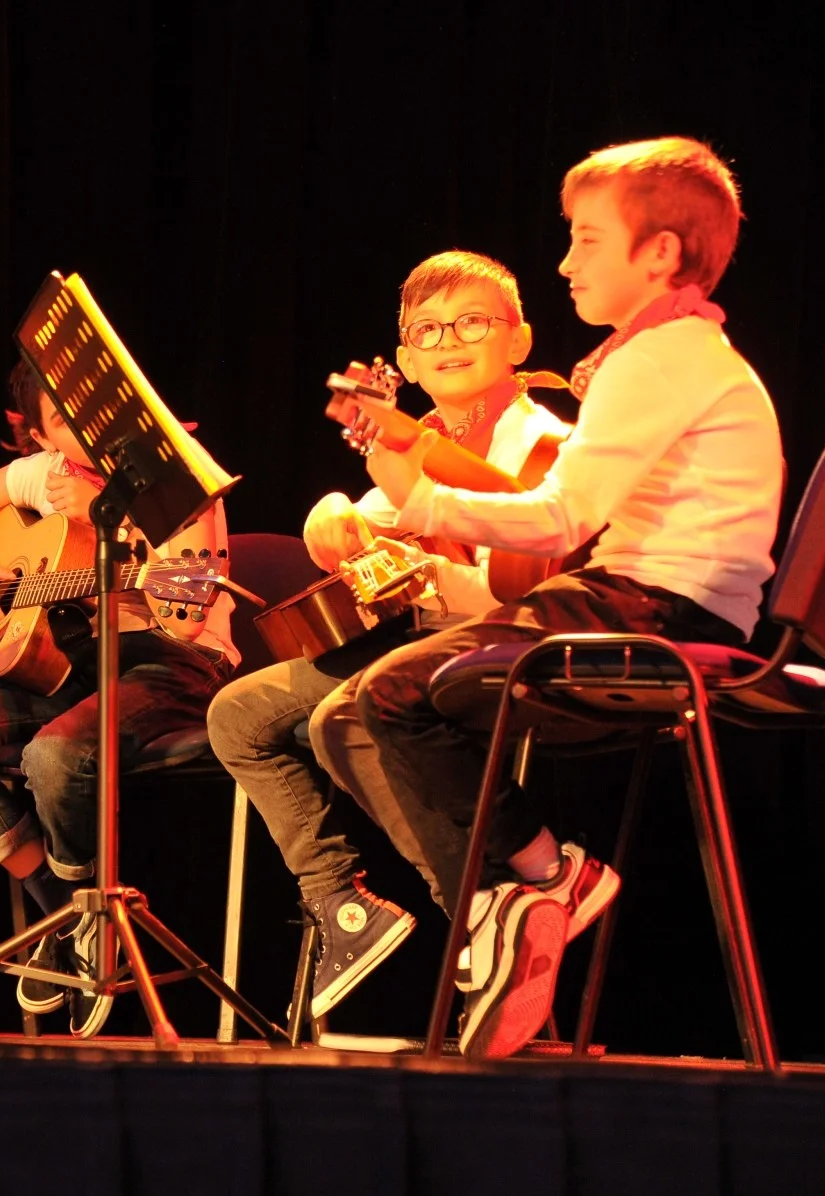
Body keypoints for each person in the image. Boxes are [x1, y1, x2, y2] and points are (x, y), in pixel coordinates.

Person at [319, 136, 782, 1058]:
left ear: (659, 253)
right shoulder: (676, 351)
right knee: (382, 697)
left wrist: (419, 500)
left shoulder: (662, 357)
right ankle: (527, 892)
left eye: (587, 240)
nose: (567, 262)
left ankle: (544, 880)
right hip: (659, 600)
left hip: (655, 608)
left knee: (394, 694)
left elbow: (560, 515)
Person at [207, 250, 587, 1023]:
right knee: (236, 714)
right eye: (427, 330)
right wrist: (332, 517)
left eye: (472, 322)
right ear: (405, 361)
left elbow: (516, 587)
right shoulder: (422, 439)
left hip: (500, 649)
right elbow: (366, 523)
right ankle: (344, 905)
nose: (449, 341)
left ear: (518, 339)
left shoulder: (547, 446)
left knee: (341, 717)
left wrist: (419, 566)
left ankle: (484, 918)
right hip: (412, 649)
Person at [0, 359, 237, 1037]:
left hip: (173, 664)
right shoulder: (42, 474)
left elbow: (184, 618)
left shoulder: (179, 473)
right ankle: (66, 911)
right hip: (75, 666)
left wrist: (111, 523)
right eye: (60, 420)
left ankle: (79, 920)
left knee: (53, 756)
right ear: (41, 434)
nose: (81, 430)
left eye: (91, 409)